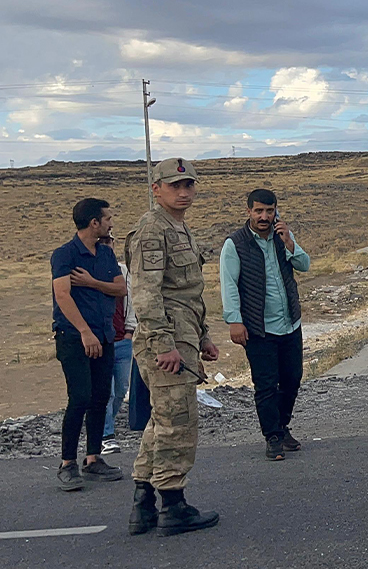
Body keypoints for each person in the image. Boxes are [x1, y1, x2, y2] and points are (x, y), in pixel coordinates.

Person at [126, 157, 219, 536]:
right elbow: (146, 294)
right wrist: (165, 344)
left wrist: (203, 336)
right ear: (156, 189)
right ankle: (173, 504)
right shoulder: (152, 230)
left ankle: (143, 504)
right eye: (175, 186)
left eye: (189, 186)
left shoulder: (179, 228)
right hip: (164, 344)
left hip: (182, 338)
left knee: (162, 420)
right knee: (178, 422)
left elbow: (188, 293)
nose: (183, 192)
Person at [219, 189, 311, 461]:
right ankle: (272, 436)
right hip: (259, 327)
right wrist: (234, 320)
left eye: (269, 211)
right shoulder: (235, 244)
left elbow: (304, 265)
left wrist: (289, 243)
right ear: (248, 211)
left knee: (292, 378)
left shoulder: (283, 238)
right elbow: (229, 285)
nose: (264, 216)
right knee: (266, 384)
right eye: (258, 211)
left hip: (289, 324)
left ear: (276, 212)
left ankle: (282, 428)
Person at [51, 198, 128, 491]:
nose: (111, 223)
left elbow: (121, 289)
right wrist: (84, 332)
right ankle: (67, 463)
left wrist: (93, 282)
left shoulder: (106, 256)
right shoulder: (65, 255)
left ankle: (93, 458)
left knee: (100, 397)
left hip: (105, 335)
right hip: (75, 338)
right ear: (93, 222)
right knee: (80, 397)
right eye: (107, 218)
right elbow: (63, 295)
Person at [100, 233, 137, 455]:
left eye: (109, 241)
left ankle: (102, 424)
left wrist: (130, 331)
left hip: (123, 339)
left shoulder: (123, 271)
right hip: (102, 341)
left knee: (122, 388)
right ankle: (106, 434)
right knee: (107, 391)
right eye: (101, 241)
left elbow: (131, 300)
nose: (106, 245)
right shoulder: (88, 272)